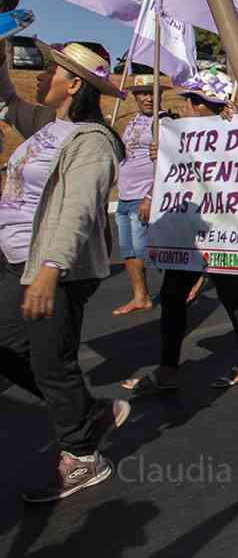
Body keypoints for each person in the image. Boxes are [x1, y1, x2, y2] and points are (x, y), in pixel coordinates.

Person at [0, 41, 131, 502]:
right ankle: (86, 411)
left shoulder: (92, 142)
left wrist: (50, 269)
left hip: (54, 268)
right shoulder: (46, 126)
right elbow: (6, 102)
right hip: (12, 260)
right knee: (17, 350)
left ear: (74, 84)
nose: (38, 75)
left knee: (51, 362)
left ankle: (82, 456)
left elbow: (77, 209)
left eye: (50, 70)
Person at [119, 69, 238, 395]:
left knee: (231, 294)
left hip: (225, 228)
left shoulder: (236, 132)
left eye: (196, 102)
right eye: (189, 100)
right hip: (188, 229)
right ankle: (168, 367)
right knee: (171, 296)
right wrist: (164, 156)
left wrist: (235, 120)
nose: (188, 107)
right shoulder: (178, 132)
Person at [112, 73, 170, 316]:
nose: (148, 98)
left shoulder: (164, 122)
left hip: (144, 195)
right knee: (128, 250)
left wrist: (150, 195)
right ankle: (140, 296)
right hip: (124, 195)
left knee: (144, 249)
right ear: (135, 97)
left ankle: (188, 280)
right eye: (143, 93)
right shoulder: (133, 121)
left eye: (152, 93)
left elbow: (168, 164)